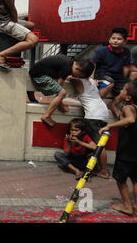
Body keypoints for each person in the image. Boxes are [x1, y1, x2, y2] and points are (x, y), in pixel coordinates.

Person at [99, 81, 137, 216]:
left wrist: (110, 126)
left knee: (120, 180)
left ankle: (127, 206)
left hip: (126, 152)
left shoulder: (128, 107)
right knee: (134, 179)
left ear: (128, 97)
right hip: (135, 152)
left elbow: (131, 120)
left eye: (124, 90)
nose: (120, 90)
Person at [29, 55, 95, 127]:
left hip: (37, 72)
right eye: (79, 75)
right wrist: (60, 104)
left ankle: (31, 96)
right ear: (77, 68)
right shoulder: (67, 67)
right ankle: (47, 116)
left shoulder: (69, 62)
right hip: (39, 76)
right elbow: (60, 87)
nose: (77, 77)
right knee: (62, 93)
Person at [68, 75, 110, 179]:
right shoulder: (91, 80)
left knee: (100, 145)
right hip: (103, 115)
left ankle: (104, 171)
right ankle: (100, 168)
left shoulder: (79, 80)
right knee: (100, 142)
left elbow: (70, 78)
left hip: (93, 116)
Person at [92, 27, 131, 98]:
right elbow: (93, 64)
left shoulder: (126, 51)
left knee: (129, 87)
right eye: (113, 38)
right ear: (109, 40)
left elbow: (126, 67)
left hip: (117, 76)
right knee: (109, 82)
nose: (115, 41)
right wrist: (92, 79)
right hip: (102, 74)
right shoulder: (101, 51)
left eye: (119, 39)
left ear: (125, 42)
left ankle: (113, 104)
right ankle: (97, 100)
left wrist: (125, 79)